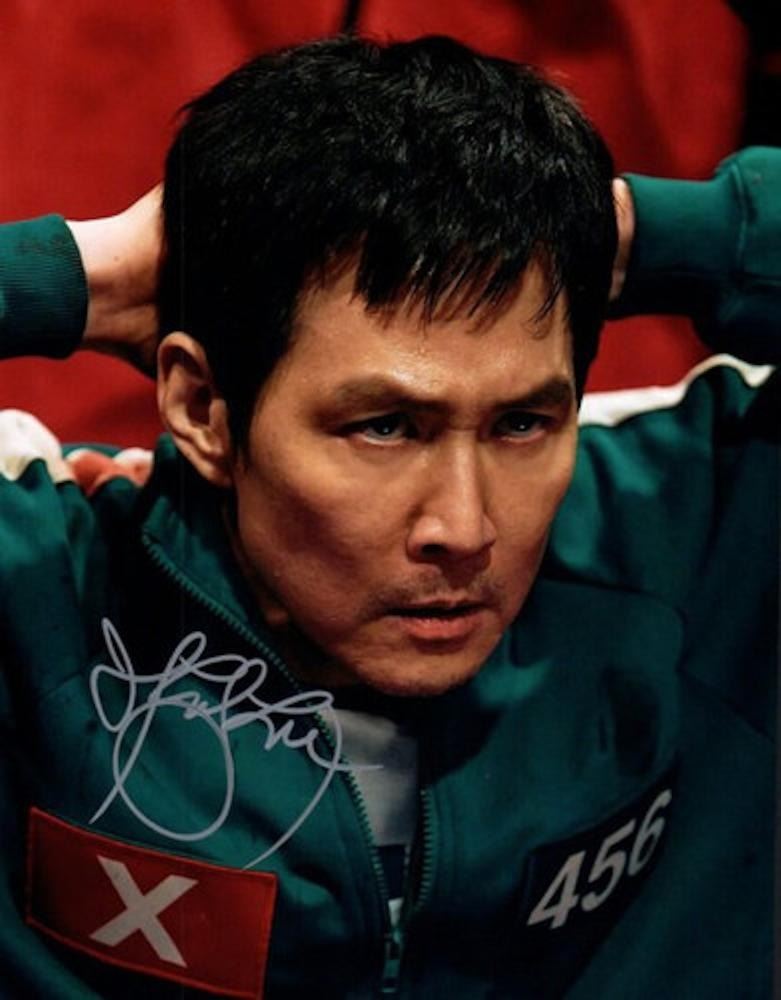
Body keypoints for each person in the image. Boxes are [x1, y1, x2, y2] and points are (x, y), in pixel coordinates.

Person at [0, 35, 777, 1000]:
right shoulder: (42, 595)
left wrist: (628, 234)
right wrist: (77, 275)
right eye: (384, 427)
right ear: (202, 408)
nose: (464, 527)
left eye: (522, 423)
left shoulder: (691, 533)